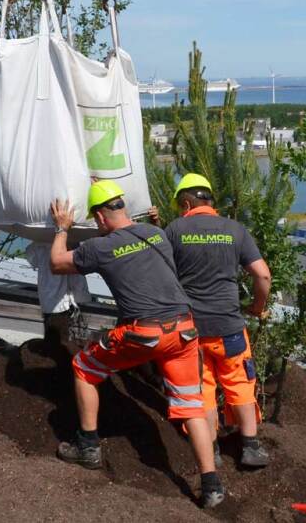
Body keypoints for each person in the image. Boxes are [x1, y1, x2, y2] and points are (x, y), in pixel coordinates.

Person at [48, 180, 225, 508]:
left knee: (84, 367)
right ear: (123, 207)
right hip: (185, 332)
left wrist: (62, 228)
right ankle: (211, 484)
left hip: (144, 333)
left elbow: (57, 263)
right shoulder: (156, 234)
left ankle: (88, 446)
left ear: (101, 218)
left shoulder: (100, 247)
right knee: (191, 407)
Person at [157, 173, 273, 468]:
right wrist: (257, 307)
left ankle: (212, 450)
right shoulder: (234, 229)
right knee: (240, 383)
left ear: (186, 202)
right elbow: (262, 275)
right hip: (230, 328)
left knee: (203, 389)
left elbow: (159, 270)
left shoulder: (175, 229)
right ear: (209, 199)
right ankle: (250, 448)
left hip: (192, 331)